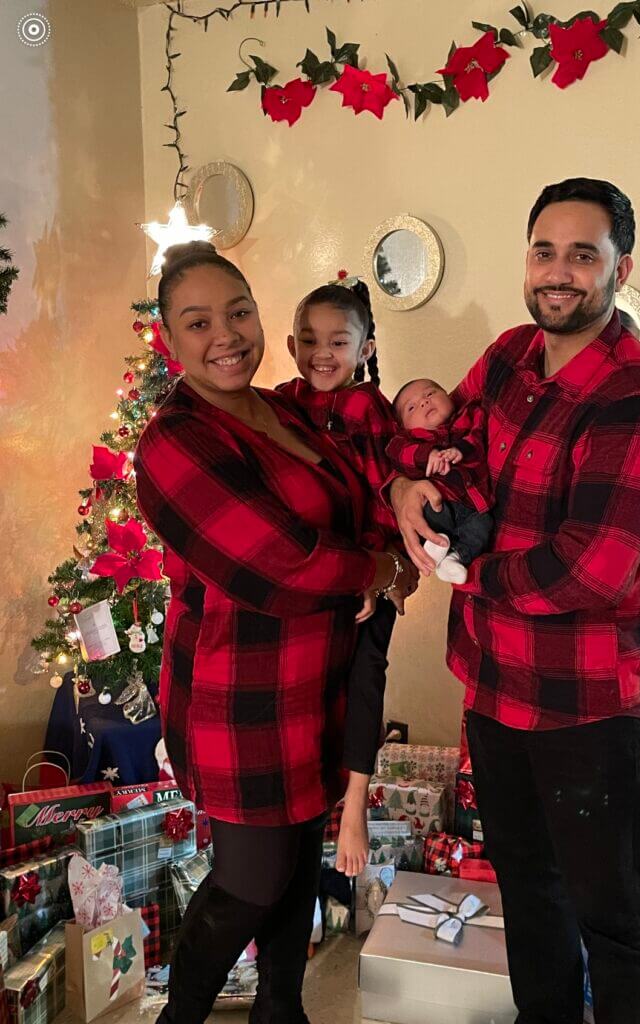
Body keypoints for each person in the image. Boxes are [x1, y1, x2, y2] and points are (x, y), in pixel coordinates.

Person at [390, 178, 640, 1024]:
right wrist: (405, 487)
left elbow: (589, 571)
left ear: (619, 270)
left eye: (583, 255)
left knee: (612, 920)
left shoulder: (638, 396)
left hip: (586, 705)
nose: (559, 272)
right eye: (544, 251)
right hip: (493, 688)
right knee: (528, 891)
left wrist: (467, 571)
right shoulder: (510, 356)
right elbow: (441, 442)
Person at [133, 241, 414, 1024]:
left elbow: (363, 484)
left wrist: (395, 531)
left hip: (318, 685)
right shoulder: (175, 440)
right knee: (251, 880)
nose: (225, 335)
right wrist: (378, 569)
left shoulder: (287, 407)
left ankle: (282, 1011)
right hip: (241, 700)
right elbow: (279, 564)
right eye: (198, 322)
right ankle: (180, 1018)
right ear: (170, 337)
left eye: (239, 312)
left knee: (293, 872)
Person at [277, 276, 403, 879]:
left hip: (367, 571)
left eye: (337, 341)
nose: (321, 354)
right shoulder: (280, 403)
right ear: (290, 345)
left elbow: (388, 492)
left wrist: (374, 572)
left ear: (365, 348)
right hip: (313, 572)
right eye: (309, 340)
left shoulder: (366, 410)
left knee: (365, 673)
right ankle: (306, 789)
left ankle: (354, 802)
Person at [388, 377, 493, 584]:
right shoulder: (408, 440)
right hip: (439, 503)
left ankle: (454, 559)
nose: (424, 402)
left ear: (449, 395)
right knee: (428, 513)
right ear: (404, 427)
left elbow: (478, 435)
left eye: (430, 393)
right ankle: (435, 544)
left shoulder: (470, 414)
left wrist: (461, 449)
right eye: (412, 407)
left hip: (474, 506)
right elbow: (397, 453)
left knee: (484, 526)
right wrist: (426, 455)